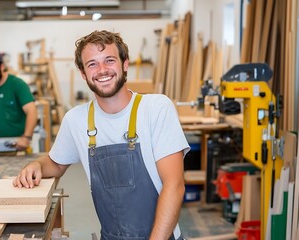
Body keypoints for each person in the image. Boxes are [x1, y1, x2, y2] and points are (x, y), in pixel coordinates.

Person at [13, 30, 189, 239]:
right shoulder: (76, 120)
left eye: (109, 60)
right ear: (83, 73)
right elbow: (56, 164)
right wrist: (36, 166)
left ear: (125, 64)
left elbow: (174, 185)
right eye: (92, 64)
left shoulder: (156, 108)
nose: (102, 70)